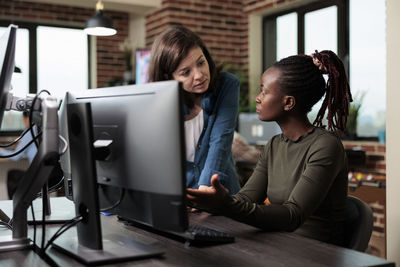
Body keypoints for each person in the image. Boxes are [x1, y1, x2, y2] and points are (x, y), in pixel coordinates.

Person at [187, 50, 352, 246]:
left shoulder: (325, 146)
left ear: (288, 102)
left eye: (264, 91)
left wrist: (225, 204)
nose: (258, 98)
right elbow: (246, 199)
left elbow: (292, 215)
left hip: (316, 253)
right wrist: (208, 202)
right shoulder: (274, 145)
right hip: (279, 243)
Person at [148, 25, 241, 194]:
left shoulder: (226, 85)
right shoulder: (159, 103)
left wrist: (204, 191)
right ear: (169, 77)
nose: (199, 75)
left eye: (201, 62)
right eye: (185, 72)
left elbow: (220, 140)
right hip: (182, 197)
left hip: (220, 194)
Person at [0, 112, 38, 198]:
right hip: (48, 173)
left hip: (36, 175)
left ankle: (14, 204)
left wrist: (1, 150)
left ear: (27, 118)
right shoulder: (39, 130)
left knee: (12, 174)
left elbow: (15, 157)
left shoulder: (29, 131)